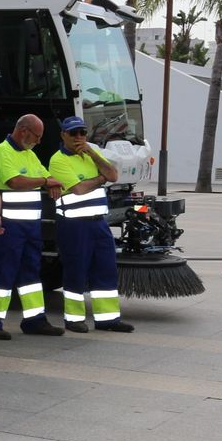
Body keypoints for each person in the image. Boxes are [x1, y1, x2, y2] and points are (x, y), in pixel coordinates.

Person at [48, 115, 134, 333]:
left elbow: (113, 175)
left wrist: (93, 154)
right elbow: (79, 189)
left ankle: (108, 319)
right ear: (63, 135)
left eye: (82, 133)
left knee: (106, 269)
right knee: (75, 271)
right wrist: (100, 179)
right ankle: (73, 319)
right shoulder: (58, 160)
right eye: (73, 133)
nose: (78, 137)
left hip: (98, 223)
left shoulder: (90, 155)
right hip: (74, 226)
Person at [0, 115, 65, 339]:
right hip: (9, 227)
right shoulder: (2, 151)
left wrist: (49, 181)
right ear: (23, 131)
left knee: (31, 275)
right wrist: (45, 182)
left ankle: (35, 320)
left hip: (30, 228)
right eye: (36, 136)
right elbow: (15, 182)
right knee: (3, 273)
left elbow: (47, 175)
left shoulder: (30, 154)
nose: (39, 141)